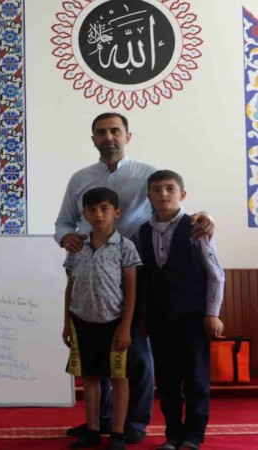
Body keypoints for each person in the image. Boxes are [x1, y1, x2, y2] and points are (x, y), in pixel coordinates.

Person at [55, 112, 214, 444]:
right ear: (93, 139)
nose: (108, 137)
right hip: (91, 268)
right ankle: (99, 422)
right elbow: (64, 223)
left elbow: (169, 204)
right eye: (101, 132)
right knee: (96, 354)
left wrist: (203, 215)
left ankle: (134, 422)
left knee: (136, 353)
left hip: (136, 270)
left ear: (127, 136)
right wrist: (65, 237)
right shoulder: (79, 178)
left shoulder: (147, 175)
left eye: (115, 131)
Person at [138, 170, 225, 450]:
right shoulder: (143, 231)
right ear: (149, 196)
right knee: (167, 380)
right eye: (156, 189)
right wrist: (144, 317)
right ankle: (173, 434)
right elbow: (145, 277)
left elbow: (215, 274)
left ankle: (193, 436)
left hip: (193, 316)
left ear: (182, 194)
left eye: (170, 188)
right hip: (160, 316)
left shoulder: (197, 226)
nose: (163, 194)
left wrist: (212, 313)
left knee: (196, 377)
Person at [63, 187, 140, 450]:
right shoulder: (77, 247)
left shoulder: (125, 247)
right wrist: (67, 323)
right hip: (82, 320)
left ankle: (117, 432)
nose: (98, 214)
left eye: (104, 209)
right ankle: (93, 430)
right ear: (84, 214)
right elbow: (70, 286)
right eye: (92, 210)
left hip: (114, 323)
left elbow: (131, 289)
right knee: (90, 378)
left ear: (116, 212)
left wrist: (126, 326)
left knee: (119, 379)